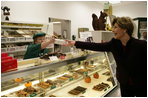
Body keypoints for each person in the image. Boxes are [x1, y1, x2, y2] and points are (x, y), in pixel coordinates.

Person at [63, 17, 147, 97]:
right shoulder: (114, 43)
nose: (113, 30)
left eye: (115, 27)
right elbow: (96, 46)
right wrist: (75, 43)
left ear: (125, 29)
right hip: (124, 83)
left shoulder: (141, 45)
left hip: (141, 83)